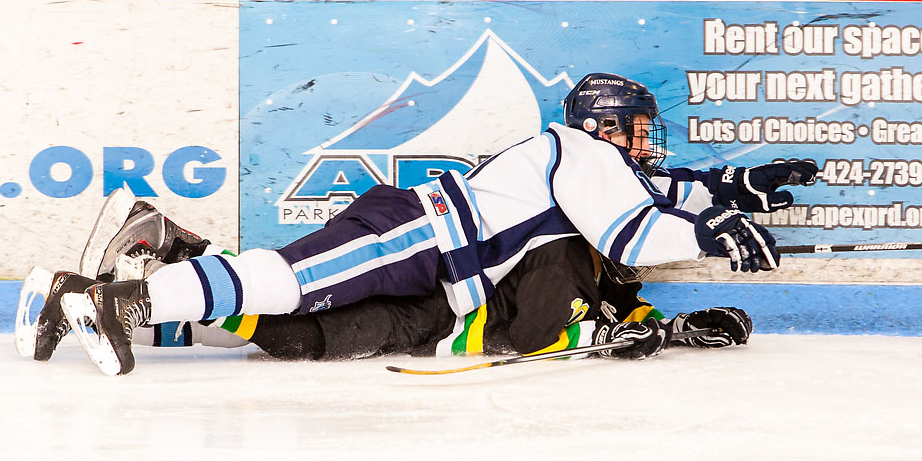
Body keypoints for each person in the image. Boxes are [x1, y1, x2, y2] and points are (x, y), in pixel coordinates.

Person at [48, 72, 817, 374]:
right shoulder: (580, 150)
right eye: (638, 128)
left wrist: (744, 190)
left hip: (445, 281)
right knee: (291, 282)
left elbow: (674, 193)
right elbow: (637, 235)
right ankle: (123, 302)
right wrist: (713, 231)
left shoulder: (615, 171)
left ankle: (131, 267)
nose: (648, 143)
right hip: (420, 230)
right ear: (607, 127)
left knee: (295, 329)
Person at [21, 193, 751, 369]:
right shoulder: (567, 248)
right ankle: (160, 255)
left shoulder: (592, 260)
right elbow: (532, 330)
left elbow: (617, 301)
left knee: (293, 338)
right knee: (289, 300)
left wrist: (671, 326)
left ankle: (80, 291)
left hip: (422, 312)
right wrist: (601, 333)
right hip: (422, 280)